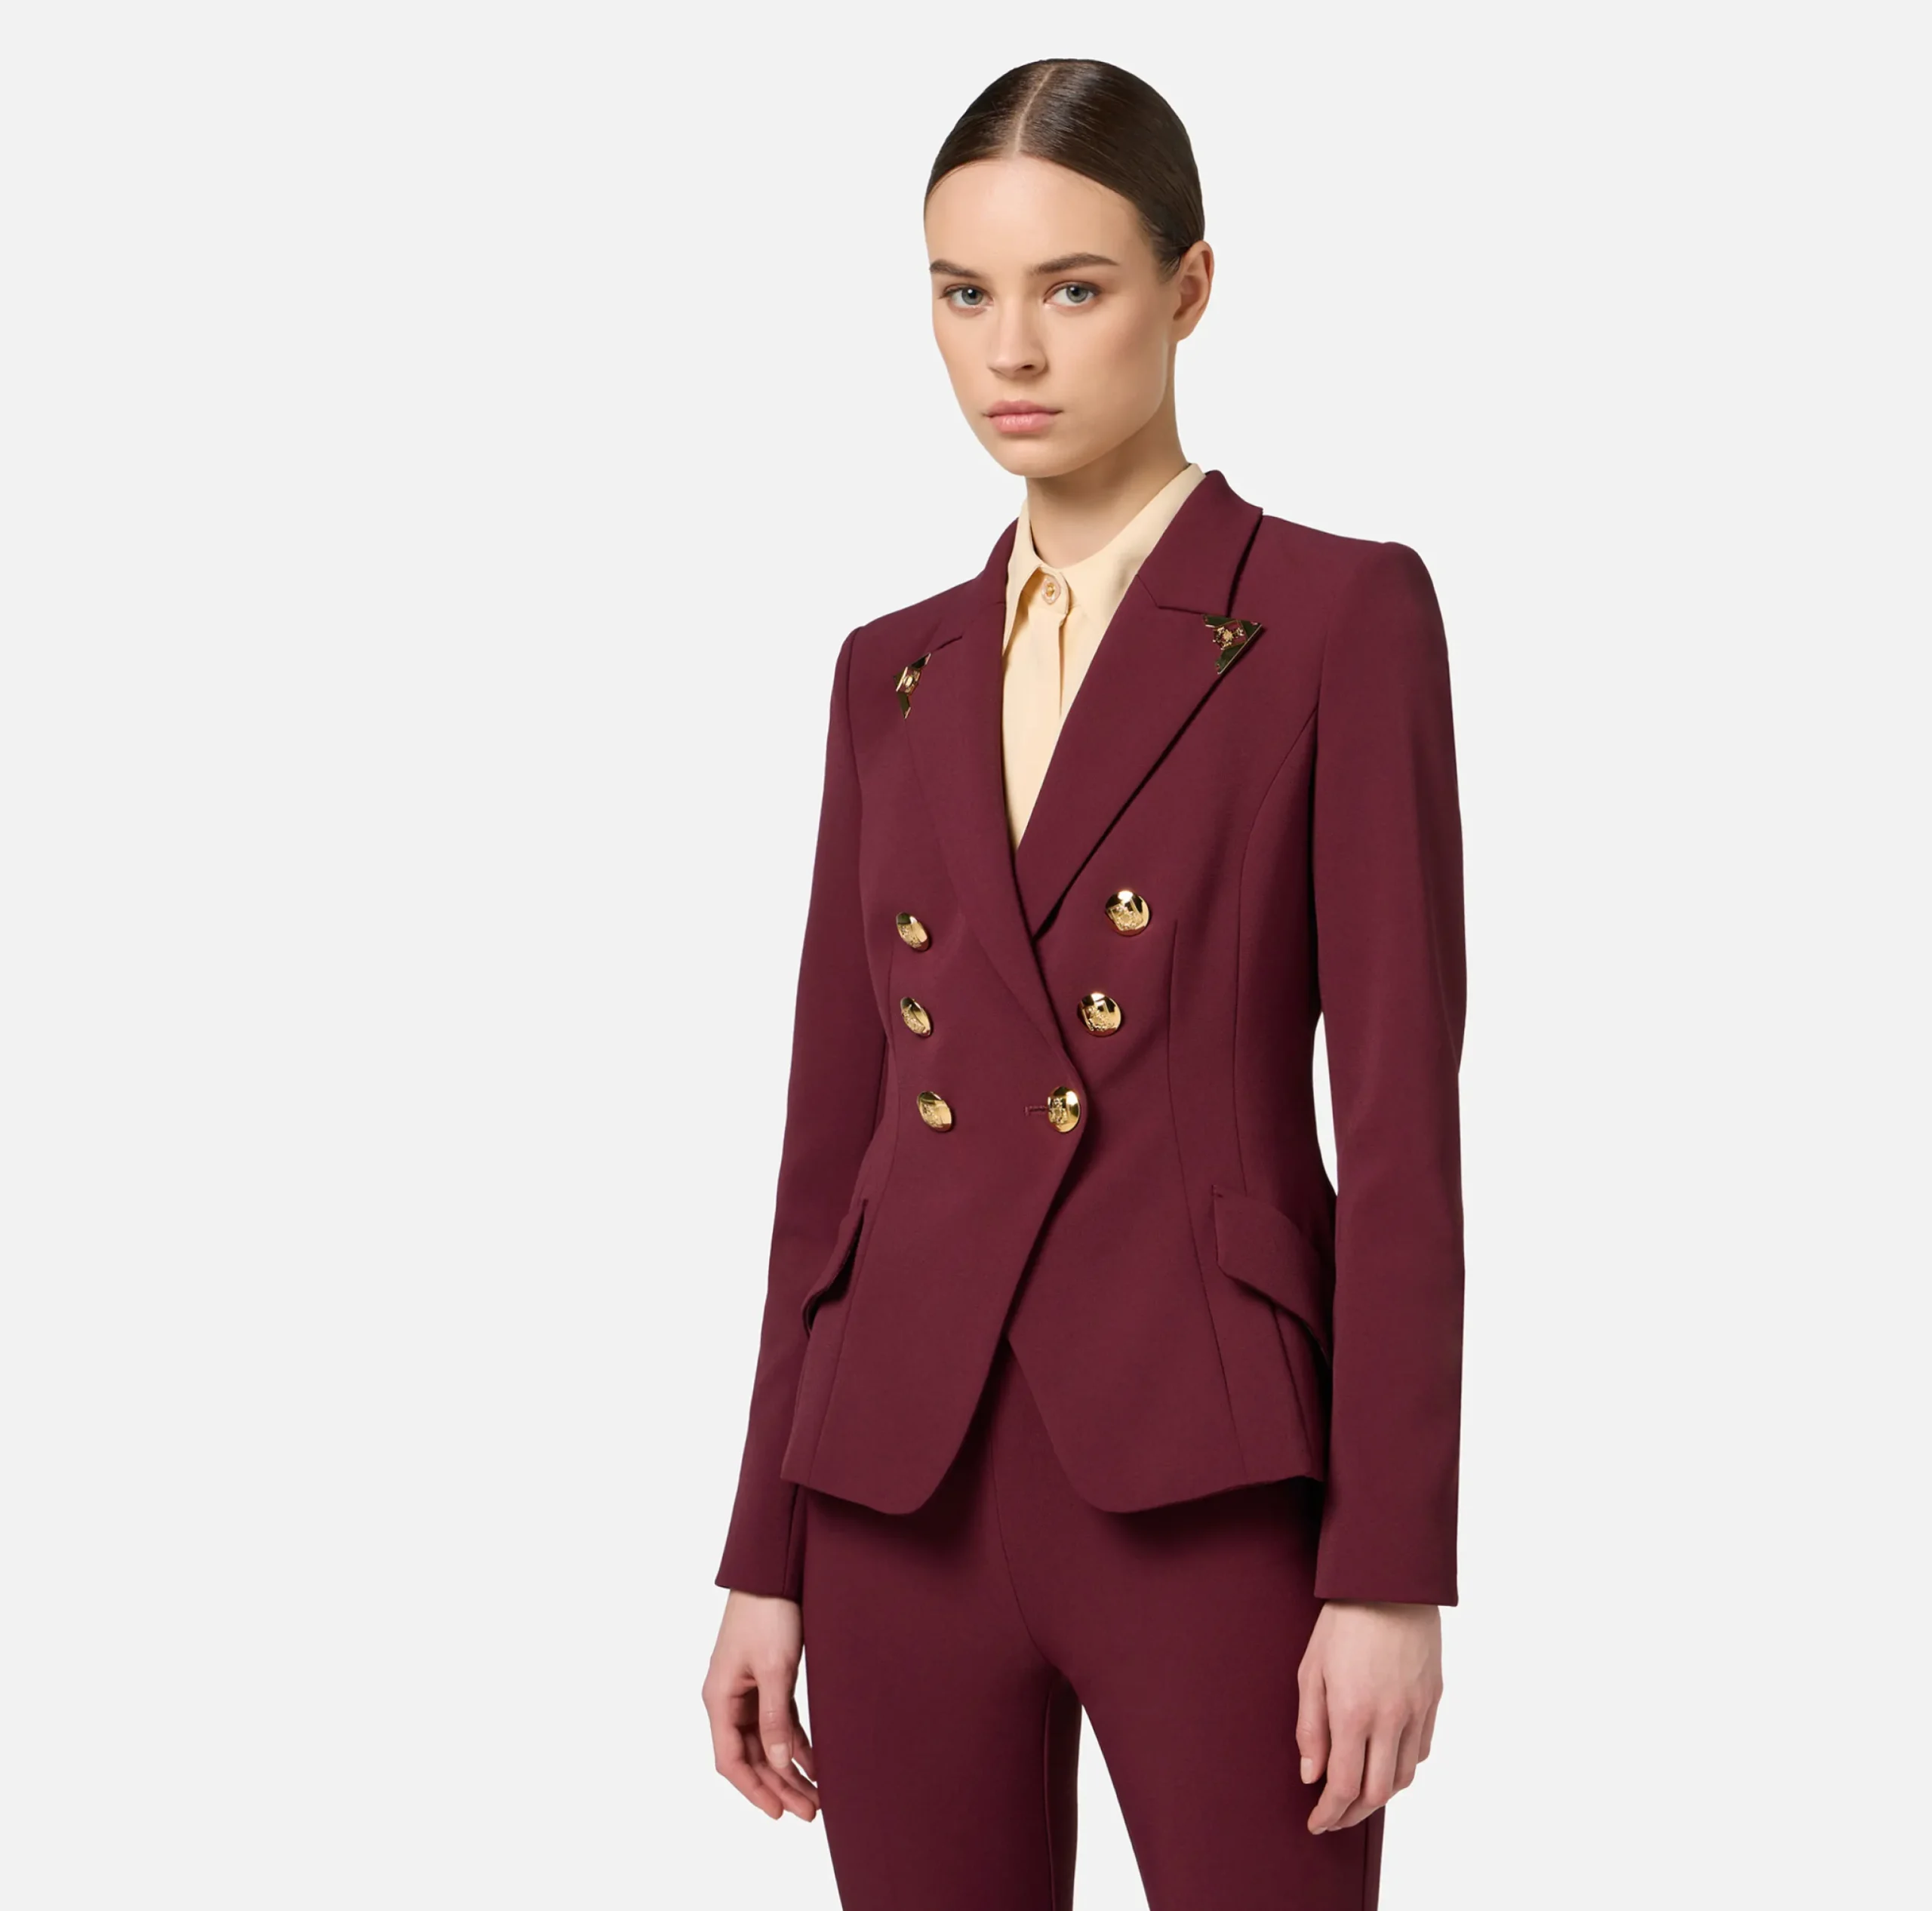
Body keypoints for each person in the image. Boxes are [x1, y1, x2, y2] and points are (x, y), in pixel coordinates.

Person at [700, 56, 1465, 1911]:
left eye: (1072, 287)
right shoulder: (888, 672)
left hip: (1206, 1473)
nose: (1010, 352)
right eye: (962, 293)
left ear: (1187, 289)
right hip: (894, 1483)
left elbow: (1397, 1134)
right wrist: (761, 1550)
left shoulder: (1332, 617)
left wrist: (1387, 1569)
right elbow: (832, 1152)